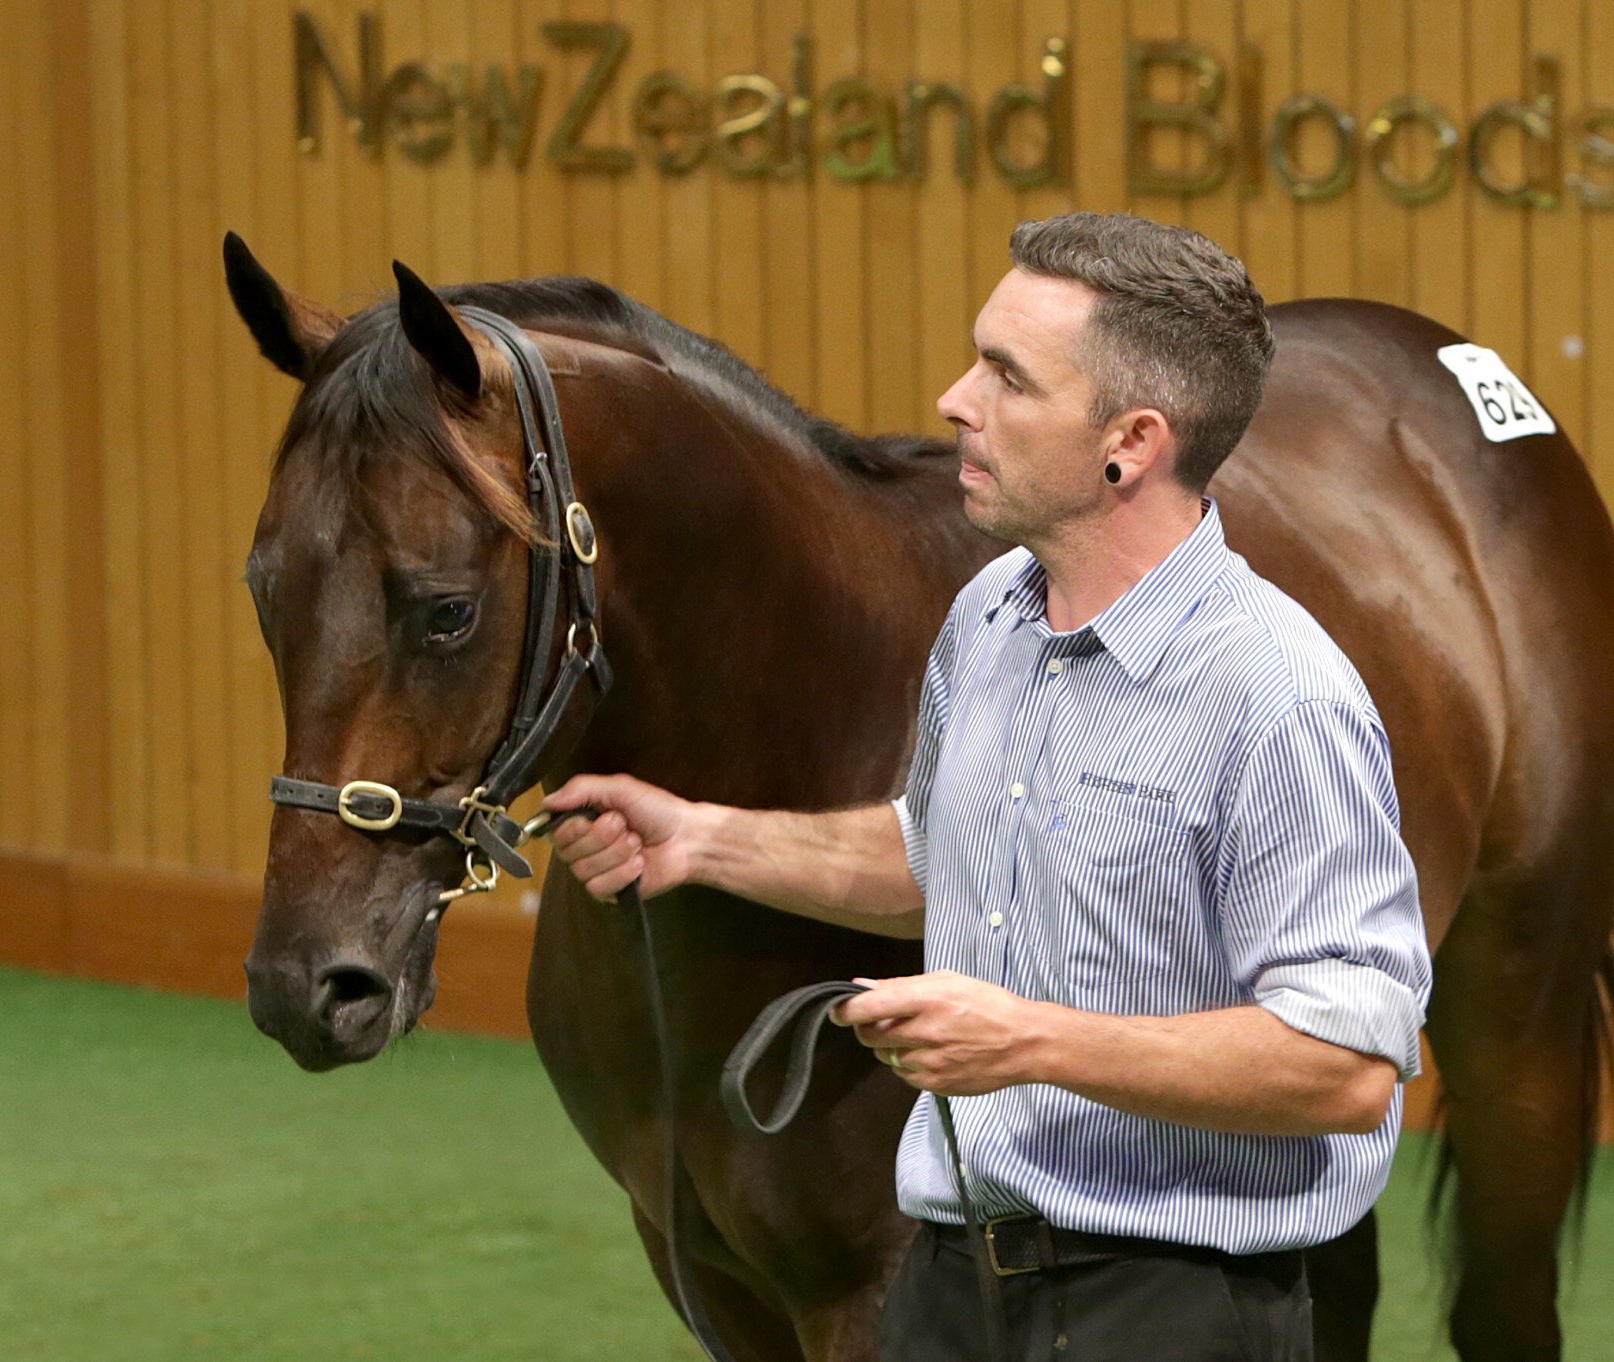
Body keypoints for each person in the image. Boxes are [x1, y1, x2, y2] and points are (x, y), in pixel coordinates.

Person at [543, 211, 1433, 1360]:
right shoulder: (993, 615)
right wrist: (705, 842)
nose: (954, 399)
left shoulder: (1278, 696)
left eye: (1006, 377)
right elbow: (943, 856)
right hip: (948, 1289)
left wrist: (1030, 1043)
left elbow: (1345, 1065)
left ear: (1130, 442)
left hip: (1167, 1311)